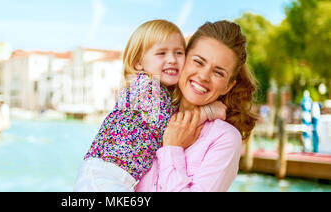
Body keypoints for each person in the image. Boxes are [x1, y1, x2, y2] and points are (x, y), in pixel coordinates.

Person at [73, 19, 226, 192]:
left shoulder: (159, 91)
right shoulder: (145, 87)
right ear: (139, 62)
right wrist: (208, 111)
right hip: (105, 176)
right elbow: (172, 129)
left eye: (178, 52)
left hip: (115, 177)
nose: (172, 60)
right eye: (161, 53)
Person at [135, 20, 259, 192]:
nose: (203, 76)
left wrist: (172, 148)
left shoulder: (225, 138)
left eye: (218, 72)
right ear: (183, 59)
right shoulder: (150, 112)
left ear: (228, 86)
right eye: (199, 62)